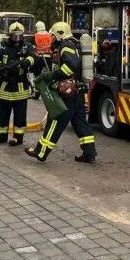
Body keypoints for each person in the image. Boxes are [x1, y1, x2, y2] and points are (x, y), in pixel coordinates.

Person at [25, 21, 97, 163]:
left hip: (68, 92)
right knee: (80, 121)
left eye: (53, 35)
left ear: (59, 33)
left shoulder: (66, 45)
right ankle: (89, 153)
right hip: (78, 90)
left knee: (55, 120)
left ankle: (41, 152)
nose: (52, 39)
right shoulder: (76, 44)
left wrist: (52, 76)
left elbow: (71, 65)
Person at [0, 22, 35, 146]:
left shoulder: (27, 46)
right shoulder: (2, 46)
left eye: (19, 35)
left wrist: (25, 62)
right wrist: (1, 66)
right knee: (3, 113)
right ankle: (1, 136)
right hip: (5, 83)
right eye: (14, 36)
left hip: (20, 84)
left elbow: (33, 57)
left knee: (20, 114)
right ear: (9, 35)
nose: (17, 38)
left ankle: (18, 137)